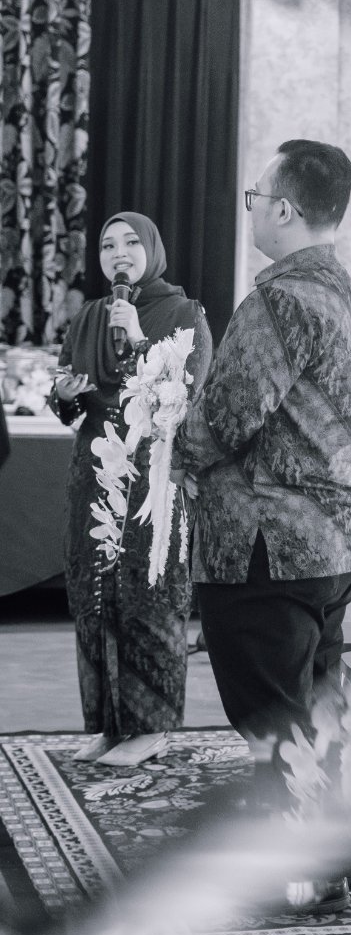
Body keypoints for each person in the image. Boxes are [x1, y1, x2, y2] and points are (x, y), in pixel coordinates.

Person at [173, 140, 351, 846]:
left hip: (269, 546)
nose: (252, 209)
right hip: (334, 541)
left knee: (275, 719)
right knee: (322, 708)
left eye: (257, 197)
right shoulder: (349, 293)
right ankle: (350, 848)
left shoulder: (279, 300)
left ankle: (303, 865)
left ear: (285, 209)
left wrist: (175, 451)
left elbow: (227, 416)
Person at [49, 212, 212, 764]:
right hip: (95, 473)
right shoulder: (89, 316)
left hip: (152, 475)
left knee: (148, 593)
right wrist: (65, 393)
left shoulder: (186, 314)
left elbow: (186, 396)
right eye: (107, 245)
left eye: (130, 243)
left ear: (151, 249)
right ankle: (108, 724)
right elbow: (68, 399)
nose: (118, 253)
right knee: (94, 594)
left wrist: (141, 340)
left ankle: (151, 726)